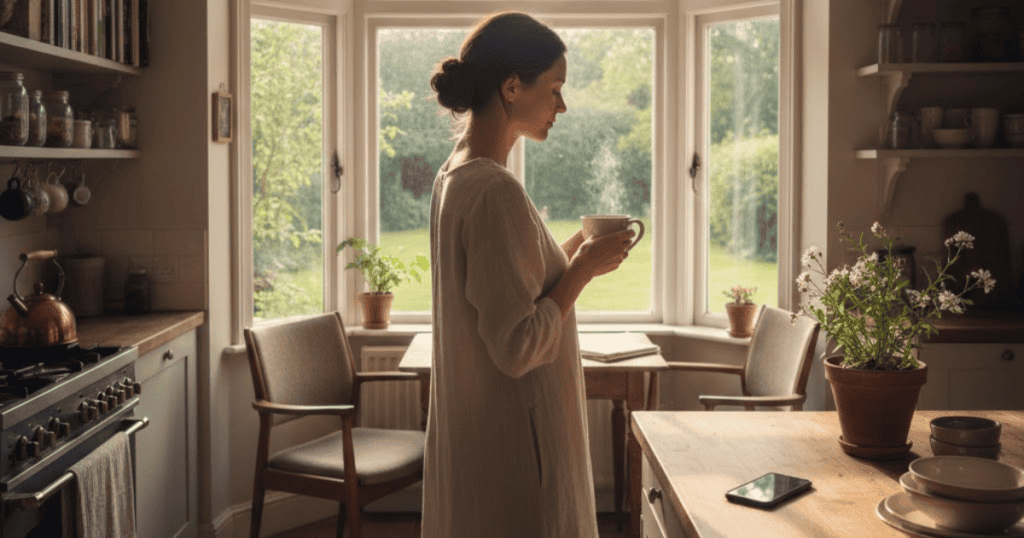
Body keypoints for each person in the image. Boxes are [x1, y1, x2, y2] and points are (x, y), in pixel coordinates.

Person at [423, 11, 635, 538]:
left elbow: (501, 285)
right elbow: (517, 346)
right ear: (512, 87)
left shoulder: (454, 174)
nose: (562, 105)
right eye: (556, 87)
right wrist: (581, 272)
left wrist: (570, 254)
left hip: (475, 435)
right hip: (516, 449)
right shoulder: (495, 189)